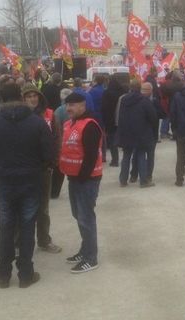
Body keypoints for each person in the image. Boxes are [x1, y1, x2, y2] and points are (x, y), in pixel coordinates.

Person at [0, 83, 54, 288]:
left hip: (6, 181)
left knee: (6, 228)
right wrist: (37, 167)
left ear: (1, 98)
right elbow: (48, 154)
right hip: (30, 181)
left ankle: (3, 275)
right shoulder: (37, 122)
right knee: (27, 228)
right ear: (21, 97)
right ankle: (26, 274)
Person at [59, 93, 103, 273]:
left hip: (86, 180)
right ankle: (85, 250)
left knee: (86, 218)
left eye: (73, 105)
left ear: (82, 106)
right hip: (74, 179)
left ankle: (91, 257)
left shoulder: (90, 125)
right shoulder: (69, 123)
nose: (69, 108)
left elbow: (91, 156)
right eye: (67, 104)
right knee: (78, 215)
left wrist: (82, 177)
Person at [22, 84, 62, 254]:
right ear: (23, 99)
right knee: (22, 207)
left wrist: (53, 162)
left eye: (35, 95)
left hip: (44, 168)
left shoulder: (49, 114)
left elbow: (57, 138)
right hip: (24, 168)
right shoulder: (18, 116)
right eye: (28, 96)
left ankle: (44, 240)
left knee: (43, 208)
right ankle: (19, 242)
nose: (32, 98)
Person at [117, 80, 157, 188]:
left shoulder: (123, 100)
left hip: (126, 132)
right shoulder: (144, 100)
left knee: (126, 156)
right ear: (140, 88)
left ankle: (123, 180)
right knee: (140, 155)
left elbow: (120, 116)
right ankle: (143, 181)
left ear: (130, 87)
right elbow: (153, 117)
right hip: (141, 132)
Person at [130, 82, 165, 184]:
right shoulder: (137, 100)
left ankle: (148, 175)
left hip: (152, 133)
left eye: (146, 90)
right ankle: (134, 175)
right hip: (139, 132)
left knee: (150, 156)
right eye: (143, 90)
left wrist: (154, 113)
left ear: (151, 91)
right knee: (136, 155)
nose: (144, 92)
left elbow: (161, 114)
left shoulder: (155, 101)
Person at [51, 88, 73, 198]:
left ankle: (54, 191)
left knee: (59, 168)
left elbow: (55, 127)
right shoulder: (75, 109)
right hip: (72, 141)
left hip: (61, 141)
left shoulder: (58, 110)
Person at [101, 75, 127, 167]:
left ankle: (115, 160)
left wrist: (104, 120)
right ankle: (126, 159)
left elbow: (104, 108)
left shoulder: (107, 93)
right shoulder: (123, 92)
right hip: (122, 119)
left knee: (112, 141)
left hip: (110, 120)